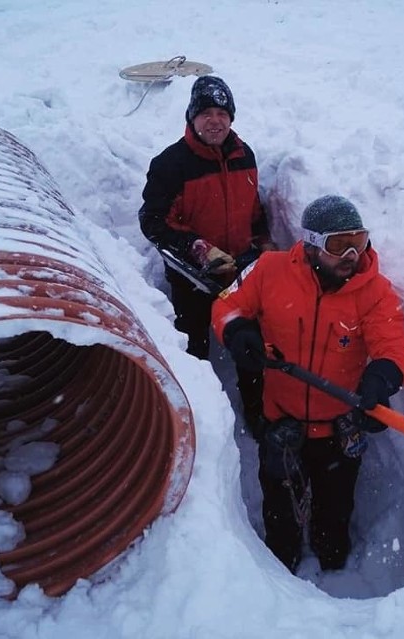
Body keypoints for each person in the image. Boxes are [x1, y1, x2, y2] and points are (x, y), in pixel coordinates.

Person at [211, 195, 404, 573]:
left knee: (335, 509)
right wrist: (238, 330)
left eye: (359, 240)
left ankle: (334, 560)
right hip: (281, 421)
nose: (352, 253)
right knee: (281, 508)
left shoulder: (376, 291)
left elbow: (393, 345)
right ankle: (278, 571)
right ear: (310, 243)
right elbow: (228, 305)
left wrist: (382, 376)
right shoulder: (270, 270)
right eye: (339, 244)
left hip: (338, 431)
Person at [139, 75, 275, 427]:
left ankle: (257, 414)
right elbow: (152, 221)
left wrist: (263, 244)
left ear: (231, 118)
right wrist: (197, 249)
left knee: (251, 343)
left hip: (241, 269)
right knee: (194, 347)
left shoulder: (245, 156)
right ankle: (197, 419)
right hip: (192, 275)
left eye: (222, 113)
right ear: (191, 118)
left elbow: (254, 210)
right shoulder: (170, 164)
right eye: (205, 113)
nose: (214, 120)